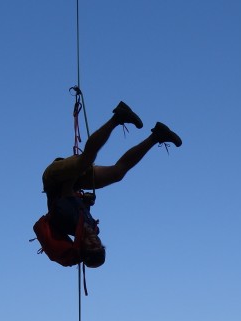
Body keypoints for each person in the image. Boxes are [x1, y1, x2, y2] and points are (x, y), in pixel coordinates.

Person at [37, 101, 181, 268]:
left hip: (54, 178)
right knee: (117, 173)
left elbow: (66, 188)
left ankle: (118, 117)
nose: (94, 240)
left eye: (91, 245)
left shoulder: (67, 221)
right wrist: (86, 201)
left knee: (84, 162)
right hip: (73, 185)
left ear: (81, 246)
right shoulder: (90, 225)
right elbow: (76, 202)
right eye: (99, 244)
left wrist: (79, 171)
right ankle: (157, 135)